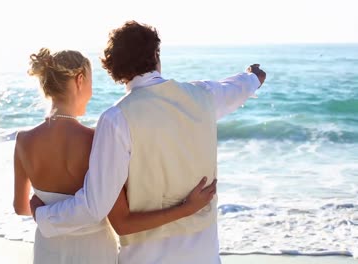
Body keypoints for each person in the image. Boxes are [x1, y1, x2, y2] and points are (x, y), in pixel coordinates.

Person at [30, 21, 266, 264]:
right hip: (203, 256)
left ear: (115, 68)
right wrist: (254, 77)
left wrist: (43, 214)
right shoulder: (204, 95)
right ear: (155, 54)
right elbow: (236, 88)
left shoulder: (116, 119)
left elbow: (94, 206)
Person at [14, 48, 218, 264]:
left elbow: (21, 207)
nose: (91, 92)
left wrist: (41, 208)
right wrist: (186, 208)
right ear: (80, 80)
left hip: (48, 251)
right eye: (91, 83)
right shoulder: (95, 140)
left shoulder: (23, 141)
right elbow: (121, 218)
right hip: (94, 251)